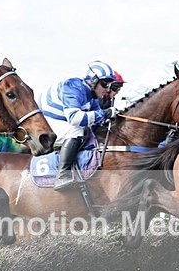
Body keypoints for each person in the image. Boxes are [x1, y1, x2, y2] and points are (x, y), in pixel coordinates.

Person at [38, 60, 119, 190]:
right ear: (93, 81)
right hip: (45, 122)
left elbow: (97, 118)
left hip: (60, 119)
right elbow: (75, 118)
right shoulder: (73, 88)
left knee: (88, 130)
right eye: (105, 83)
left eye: (110, 84)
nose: (108, 89)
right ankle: (62, 174)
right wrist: (105, 113)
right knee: (76, 130)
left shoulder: (91, 96)